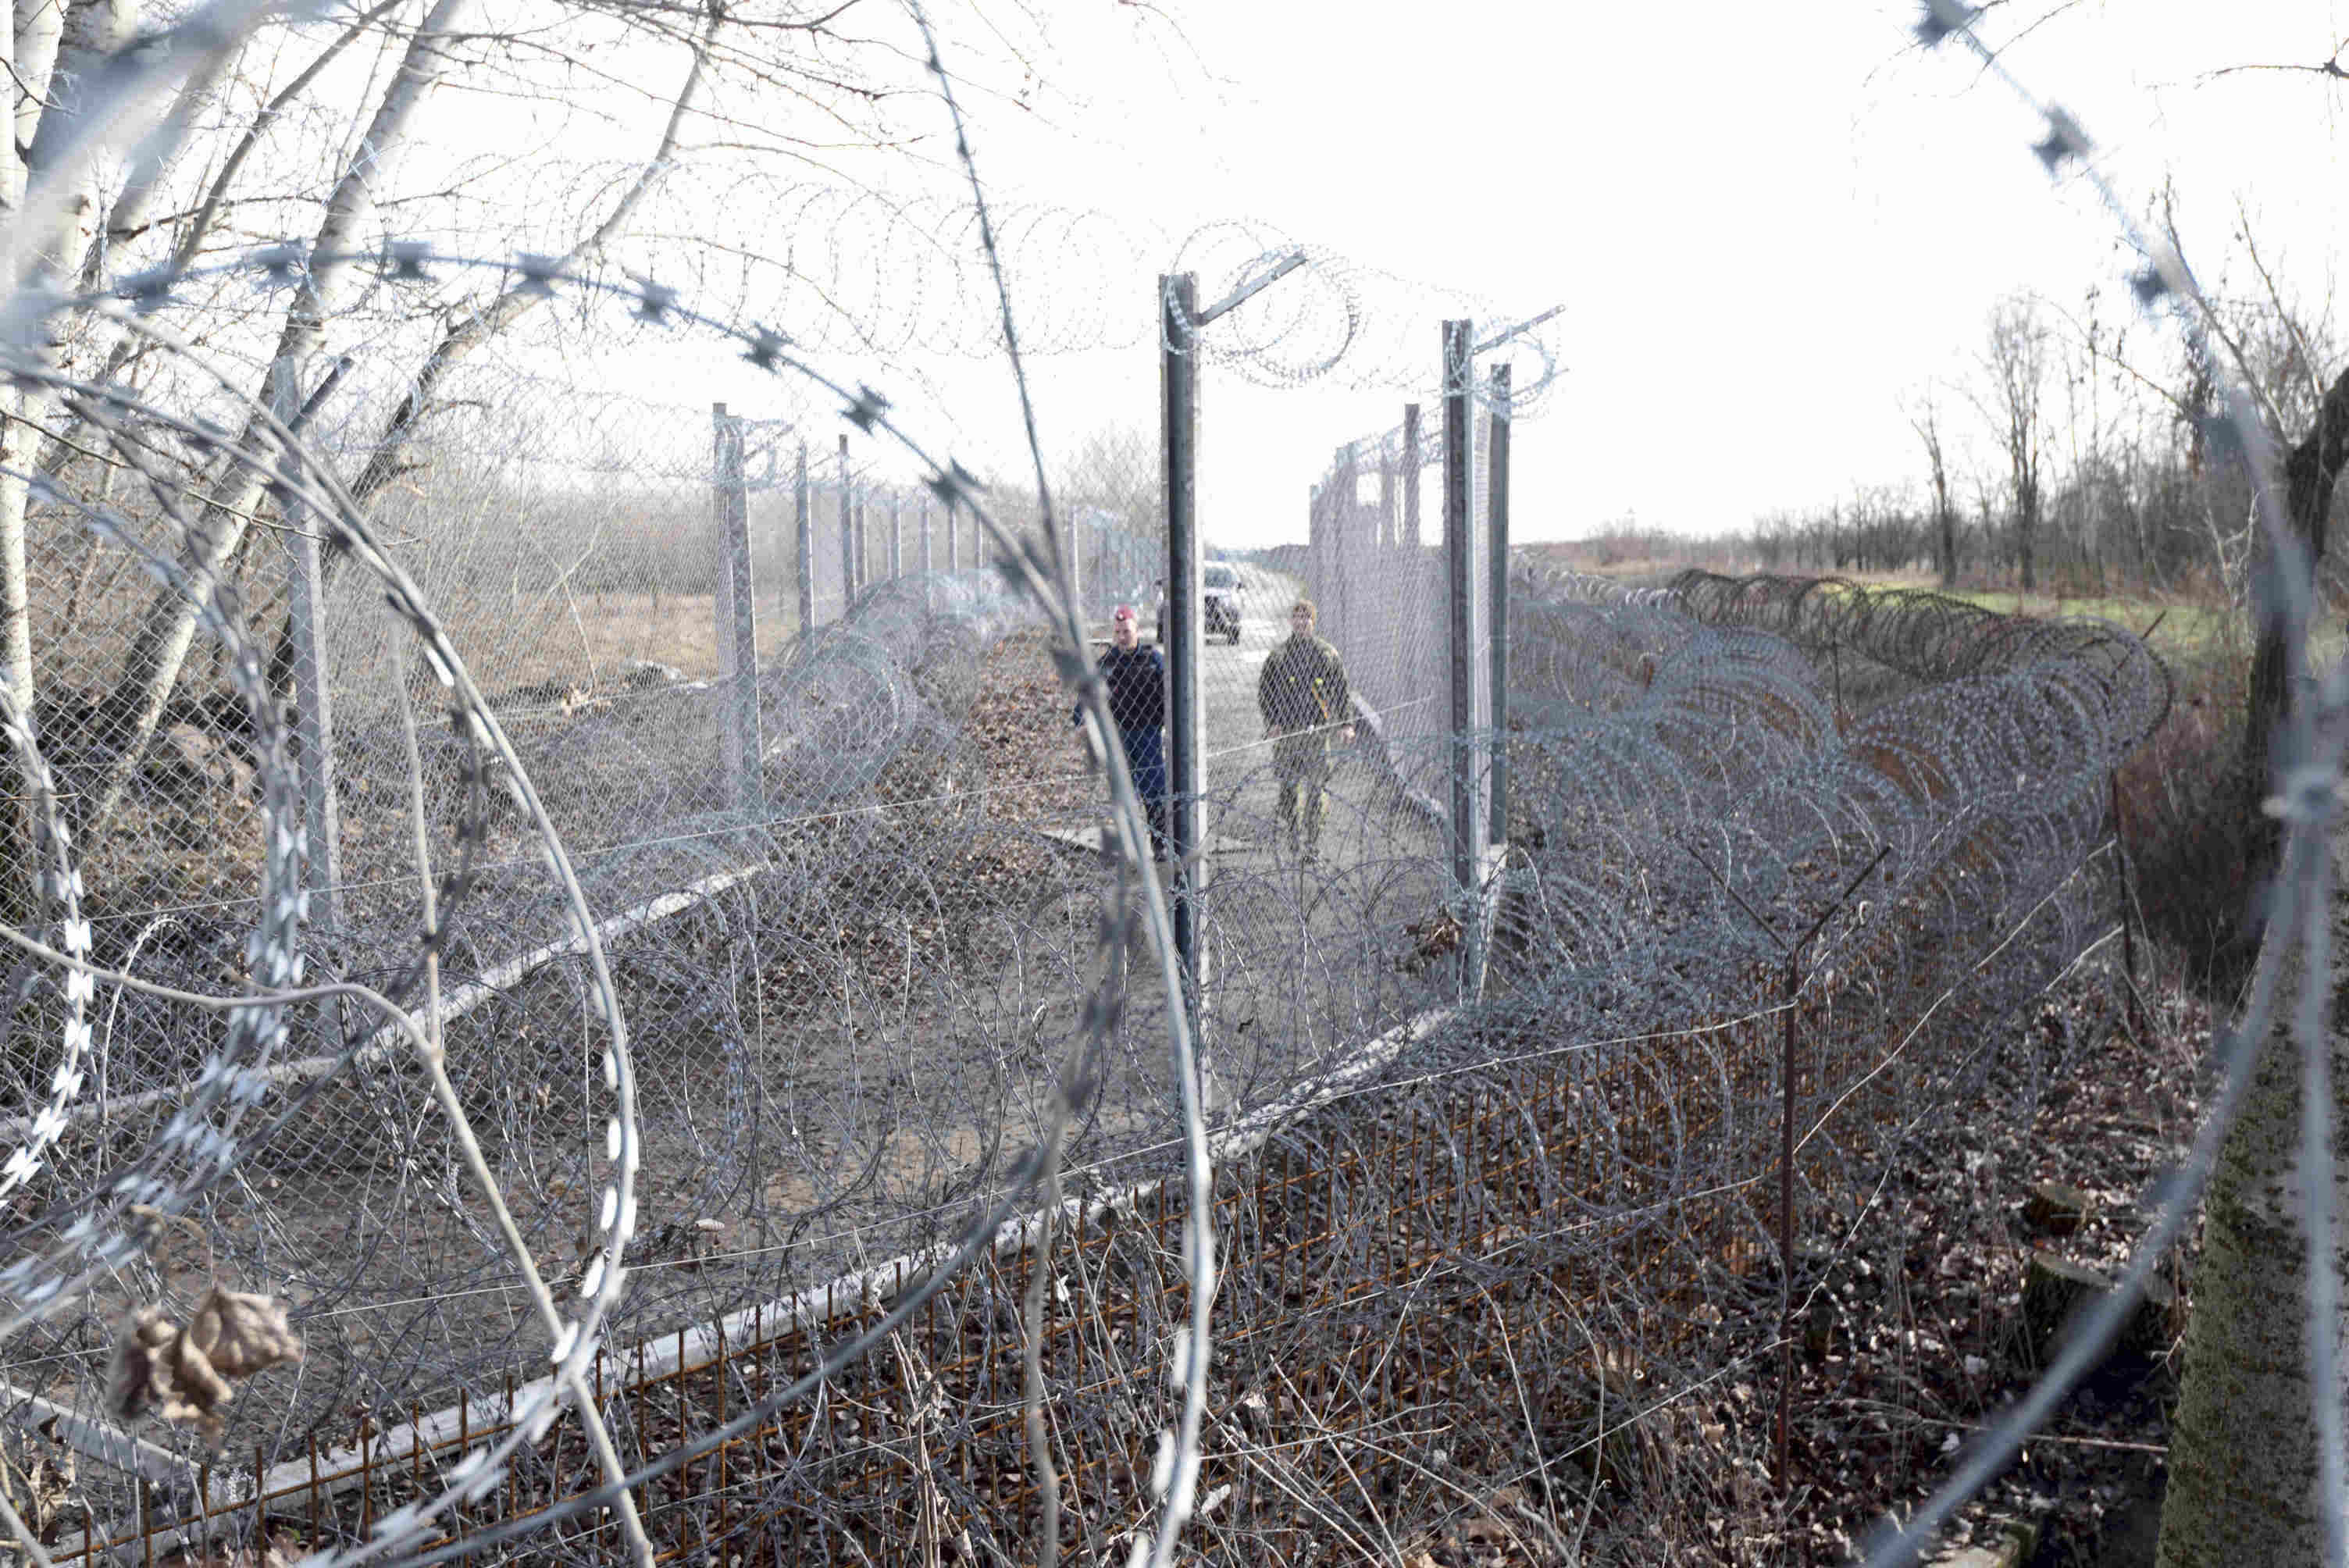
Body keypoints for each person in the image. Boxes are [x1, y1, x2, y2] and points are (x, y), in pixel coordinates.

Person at [1256, 598, 1354, 860]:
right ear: (1292, 621)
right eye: (1297, 617)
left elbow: (1341, 690)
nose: (1301, 622)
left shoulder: (1326, 654)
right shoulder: (1278, 657)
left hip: (1317, 734)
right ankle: (1293, 837)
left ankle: (1312, 843)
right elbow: (1265, 692)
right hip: (1288, 733)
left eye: (1306, 617)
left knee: (1316, 790)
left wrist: (1346, 723)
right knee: (1288, 788)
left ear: (1313, 621)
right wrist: (1273, 722)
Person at [1074, 604, 1168, 859]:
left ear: (1136, 630)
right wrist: (1081, 720)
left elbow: (1169, 696)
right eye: (1117, 632)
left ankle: (1159, 843)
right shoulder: (1106, 663)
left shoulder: (1152, 660)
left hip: (1147, 733)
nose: (1122, 637)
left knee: (1153, 790)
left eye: (1126, 631)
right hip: (1119, 736)